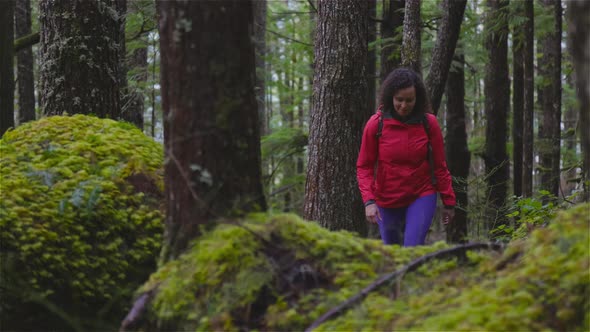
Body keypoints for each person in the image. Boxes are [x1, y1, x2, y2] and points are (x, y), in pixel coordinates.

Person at [356, 68, 456, 246]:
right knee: (393, 251)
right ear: (390, 97)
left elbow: (440, 166)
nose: (404, 105)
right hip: (386, 198)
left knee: (412, 248)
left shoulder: (428, 123)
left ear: (417, 99)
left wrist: (449, 202)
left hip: (421, 194)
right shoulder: (376, 125)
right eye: (399, 100)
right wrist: (369, 201)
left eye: (409, 100)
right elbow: (364, 166)